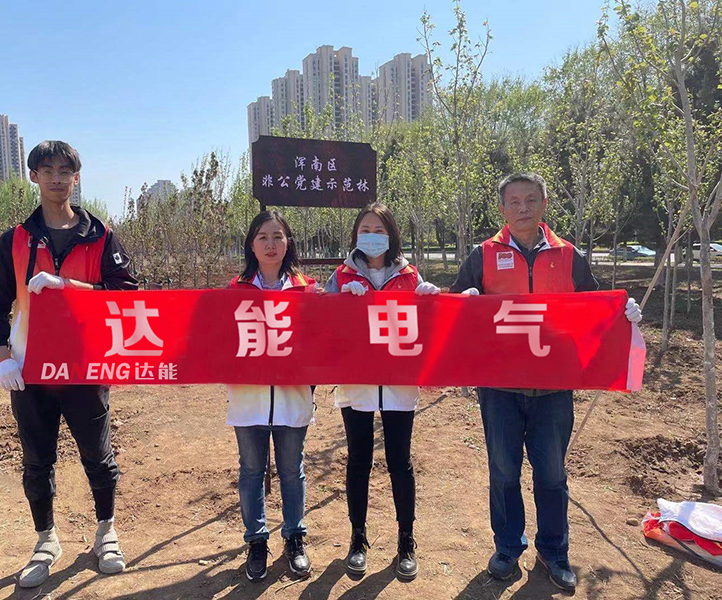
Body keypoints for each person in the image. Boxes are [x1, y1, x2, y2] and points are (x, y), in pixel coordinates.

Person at [451, 172, 642, 592]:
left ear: (544, 204)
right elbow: (456, 307)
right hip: (499, 387)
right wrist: (464, 301)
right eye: (514, 201)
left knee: (552, 473)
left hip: (554, 387)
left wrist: (622, 313)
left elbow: (593, 308)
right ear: (502, 209)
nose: (523, 208)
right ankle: (507, 547)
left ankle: (554, 551)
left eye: (531, 200)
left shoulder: (568, 255)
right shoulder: (483, 255)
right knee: (503, 471)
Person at [0, 141, 138, 588]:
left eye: (65, 171)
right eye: (47, 170)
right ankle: (46, 540)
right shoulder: (15, 240)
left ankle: (106, 532)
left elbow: (126, 295)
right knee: (37, 459)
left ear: (76, 178)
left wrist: (68, 285)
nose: (56, 179)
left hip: (85, 366)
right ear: (33, 176)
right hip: (31, 369)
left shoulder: (100, 235)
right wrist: (2, 355)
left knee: (98, 455)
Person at [323, 202, 440, 581]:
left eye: (378, 230)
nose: (371, 236)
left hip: (397, 382)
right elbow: (320, 320)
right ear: (355, 235)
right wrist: (339, 300)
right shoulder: (341, 275)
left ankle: (406, 540)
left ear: (391, 235)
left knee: (399, 461)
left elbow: (426, 327)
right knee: (358, 460)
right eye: (365, 230)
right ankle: (358, 538)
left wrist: (430, 300)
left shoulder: (408, 275)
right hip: (356, 380)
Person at [227, 210, 316, 582]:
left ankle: (294, 537)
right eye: (263, 237)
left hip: (292, 398)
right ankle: (257, 540)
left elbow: (324, 343)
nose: (270, 244)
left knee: (292, 471)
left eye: (278, 236)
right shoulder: (234, 292)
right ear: (251, 244)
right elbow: (219, 342)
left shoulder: (308, 291)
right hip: (249, 401)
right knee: (251, 471)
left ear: (288, 243)